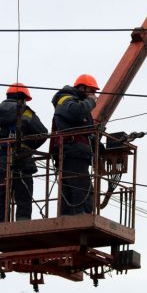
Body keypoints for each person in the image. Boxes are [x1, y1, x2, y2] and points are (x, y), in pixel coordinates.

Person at [0, 83, 48, 223]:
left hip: (0, 161)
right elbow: (42, 133)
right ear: (22, 98)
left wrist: (0, 145)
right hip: (22, 159)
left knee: (1, 194)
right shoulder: (24, 111)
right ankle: (23, 222)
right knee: (23, 194)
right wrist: (29, 145)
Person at [51, 74, 99, 216]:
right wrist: (91, 102)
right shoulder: (66, 100)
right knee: (80, 187)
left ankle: (71, 215)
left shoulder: (78, 103)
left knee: (78, 187)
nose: (94, 95)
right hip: (72, 151)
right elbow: (75, 113)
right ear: (82, 88)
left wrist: (97, 145)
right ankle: (80, 215)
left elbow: (87, 130)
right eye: (91, 91)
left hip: (77, 151)